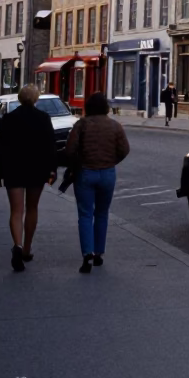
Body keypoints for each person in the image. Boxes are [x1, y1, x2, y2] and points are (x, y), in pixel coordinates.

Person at [0, 85, 57, 271]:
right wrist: (52, 170)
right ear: (36, 99)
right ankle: (27, 248)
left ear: (20, 99)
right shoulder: (43, 118)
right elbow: (50, 146)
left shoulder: (9, 119)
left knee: (16, 211)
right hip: (37, 170)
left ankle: (17, 245)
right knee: (32, 208)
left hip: (13, 169)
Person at [65, 93, 130, 274]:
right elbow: (125, 149)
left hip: (86, 173)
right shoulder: (115, 126)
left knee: (85, 214)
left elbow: (70, 150)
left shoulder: (81, 125)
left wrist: (76, 163)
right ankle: (99, 253)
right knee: (102, 213)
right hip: (107, 173)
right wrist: (111, 162)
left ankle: (87, 253)